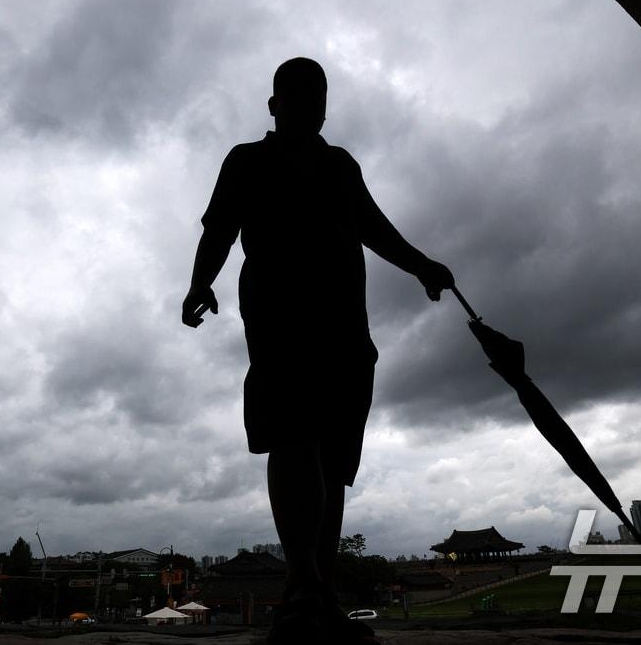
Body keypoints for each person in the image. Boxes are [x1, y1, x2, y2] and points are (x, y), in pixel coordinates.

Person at [181, 57, 454, 644]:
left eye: (318, 95)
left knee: (332, 458)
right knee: (294, 439)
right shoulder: (247, 161)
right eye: (296, 94)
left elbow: (374, 228)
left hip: (345, 326)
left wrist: (421, 267)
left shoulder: (339, 166)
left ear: (325, 105)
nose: (309, 104)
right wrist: (200, 280)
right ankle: (302, 588)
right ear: (274, 104)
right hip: (280, 320)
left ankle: (316, 589)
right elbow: (219, 229)